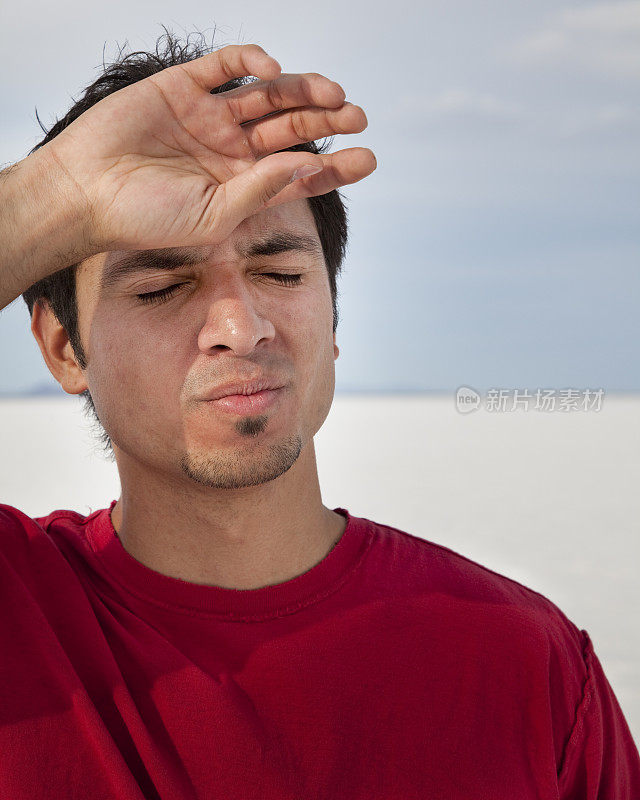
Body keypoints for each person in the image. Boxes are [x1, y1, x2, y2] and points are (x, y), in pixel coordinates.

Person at [1, 29, 638, 799]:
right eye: (160, 288)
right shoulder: (21, 618)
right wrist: (51, 199)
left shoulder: (523, 663)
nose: (242, 326)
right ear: (65, 346)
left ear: (333, 323)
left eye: (279, 271)